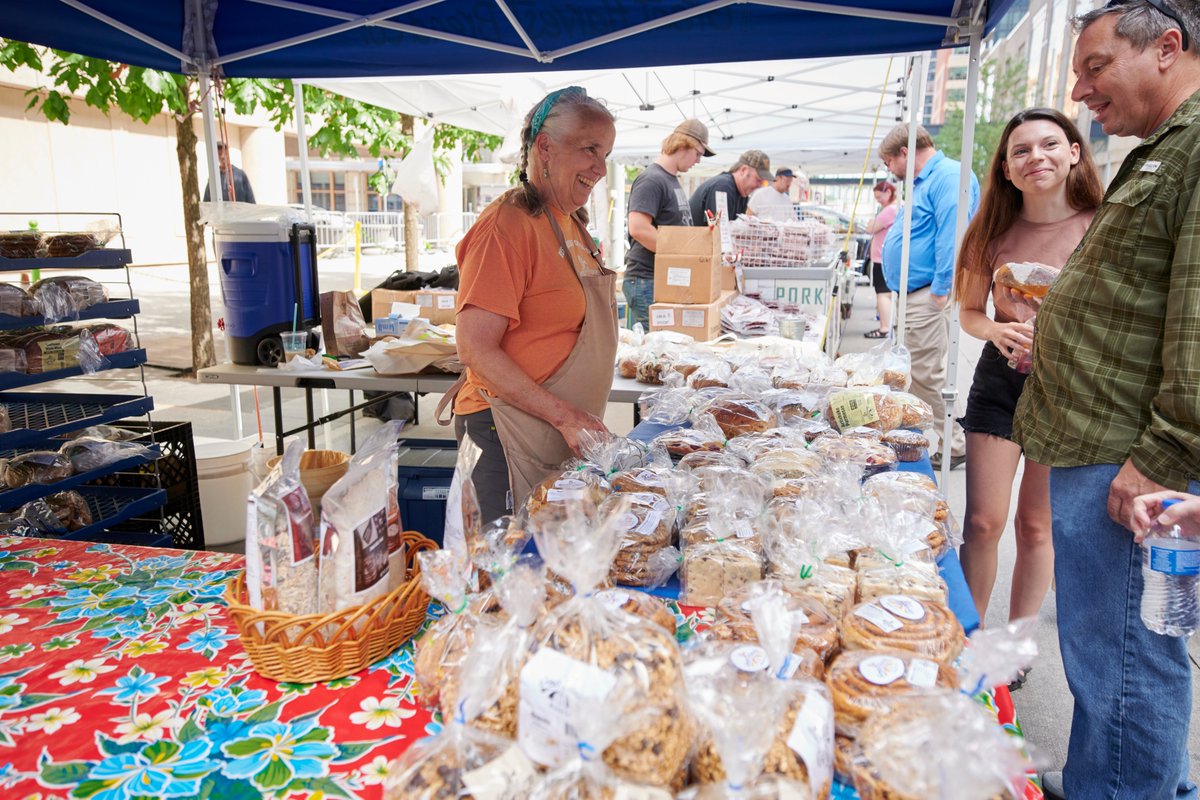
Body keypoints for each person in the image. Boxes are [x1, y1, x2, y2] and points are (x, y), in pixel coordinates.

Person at [1010, 2, 1200, 797]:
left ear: (1167, 46)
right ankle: (1109, 774)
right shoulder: (1159, 149)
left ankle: (1125, 787)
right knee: (1102, 644)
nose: (1083, 91)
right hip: (1098, 441)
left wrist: (1155, 460)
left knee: (1125, 647)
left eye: (1095, 67)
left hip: (1131, 459)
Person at [437, 86, 618, 524]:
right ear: (545, 148)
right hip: (505, 432)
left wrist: (571, 419)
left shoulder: (571, 224)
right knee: (504, 571)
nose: (600, 167)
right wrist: (564, 414)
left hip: (557, 430)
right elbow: (476, 348)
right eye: (590, 149)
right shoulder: (506, 227)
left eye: (606, 153)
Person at [953, 109, 1102, 638]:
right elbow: (970, 312)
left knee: (1037, 526)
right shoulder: (988, 231)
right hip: (1000, 381)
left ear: (1074, 153)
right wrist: (995, 331)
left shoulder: (1104, 229)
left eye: (1049, 144)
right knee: (982, 522)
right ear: (1006, 171)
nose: (1036, 157)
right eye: (1021, 151)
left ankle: (1015, 648)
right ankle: (968, 640)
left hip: (1066, 390)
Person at [879, 123, 979, 470]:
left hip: (927, 295)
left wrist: (940, 289)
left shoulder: (947, 176)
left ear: (904, 152)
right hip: (914, 295)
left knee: (927, 375)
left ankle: (954, 442)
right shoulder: (925, 182)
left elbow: (953, 232)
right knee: (917, 373)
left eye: (889, 162)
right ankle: (942, 438)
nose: (889, 171)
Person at [622, 119, 714, 329]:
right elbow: (638, 228)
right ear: (683, 145)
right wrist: (678, 254)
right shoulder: (652, 179)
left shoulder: (669, 179)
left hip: (659, 281)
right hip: (647, 280)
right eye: (698, 153)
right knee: (654, 354)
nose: (698, 161)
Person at [689, 150, 774, 225]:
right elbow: (718, 230)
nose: (760, 185)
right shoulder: (722, 188)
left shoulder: (742, 195)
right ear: (743, 170)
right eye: (758, 180)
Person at [862, 180, 899, 339]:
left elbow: (870, 228)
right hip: (884, 258)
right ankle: (889, 324)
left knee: (882, 294)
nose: (878, 200)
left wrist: (872, 222)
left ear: (889, 193)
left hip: (881, 259)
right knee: (886, 294)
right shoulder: (893, 208)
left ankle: (884, 328)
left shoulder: (890, 210)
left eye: (880, 197)